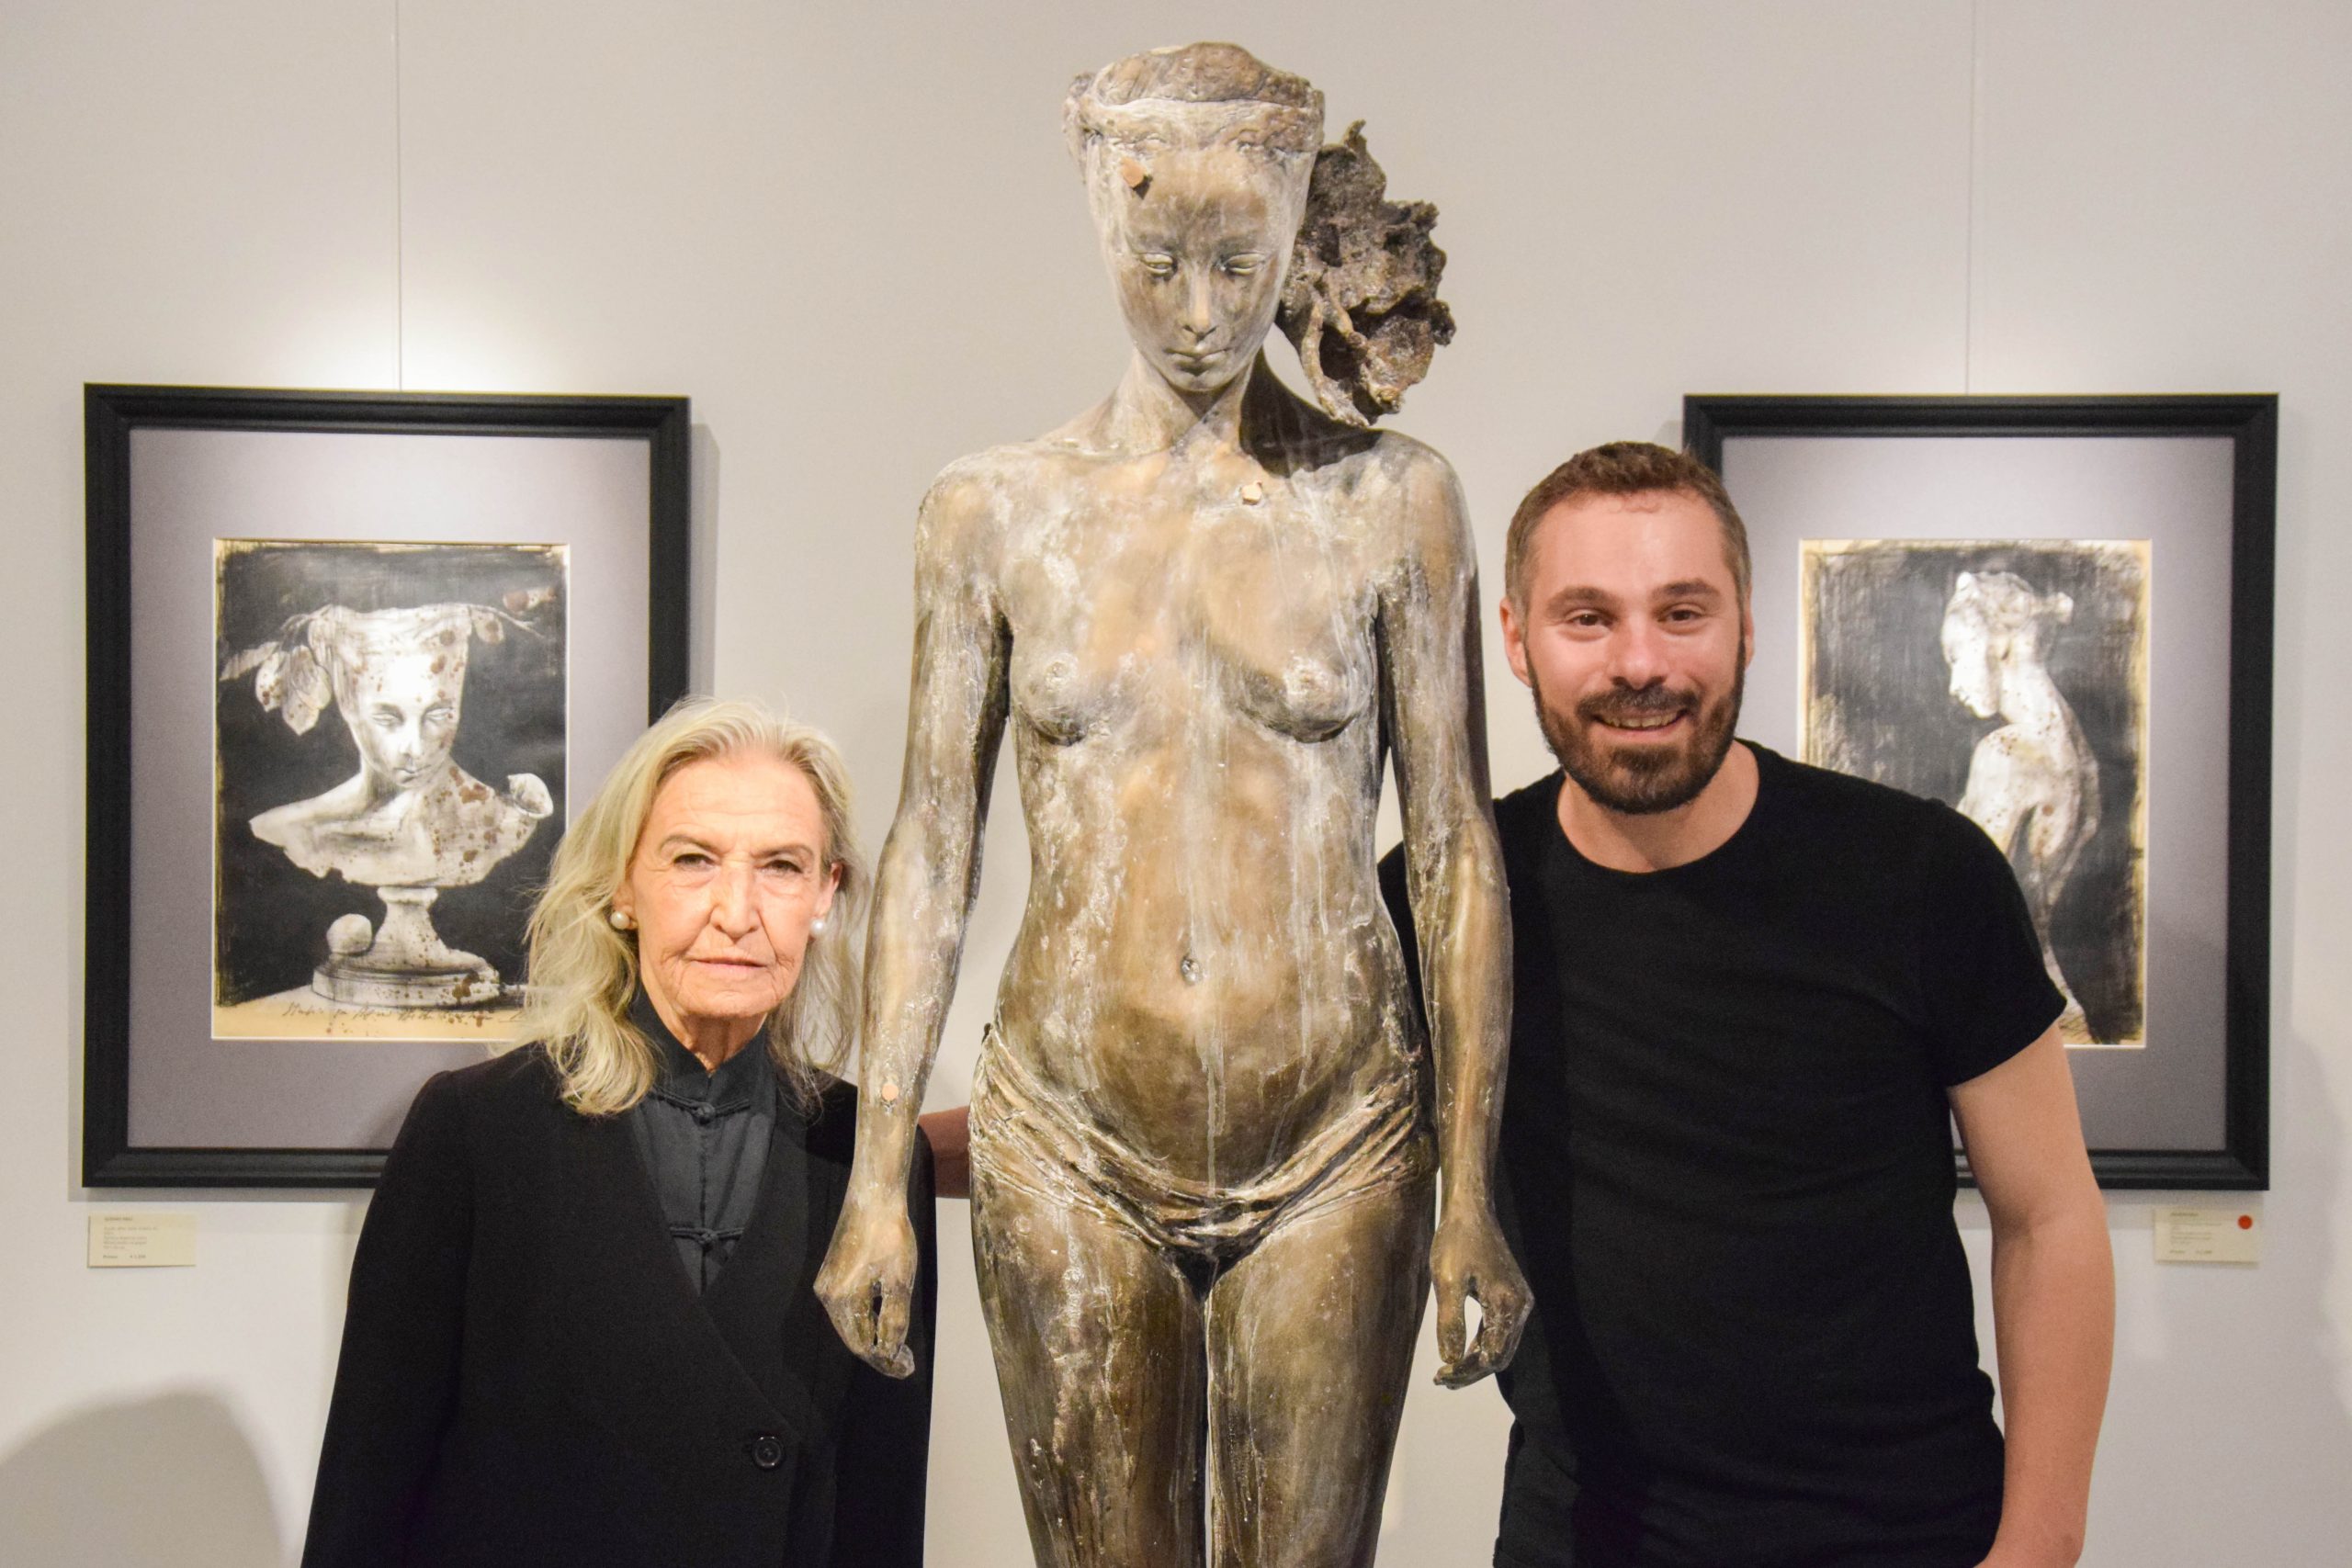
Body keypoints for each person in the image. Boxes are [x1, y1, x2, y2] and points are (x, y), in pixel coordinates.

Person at [814, 41, 1527, 1568]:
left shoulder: (1393, 500)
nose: (1200, 312)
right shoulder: (992, 511)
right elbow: (932, 843)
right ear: (1101, 230)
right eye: (1158, 265)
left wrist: (1471, 1182)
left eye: (1238, 265)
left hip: (1339, 1132)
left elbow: (1456, 846)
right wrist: (878, 1177)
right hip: (1068, 1132)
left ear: (1295, 239)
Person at [1384, 442, 2114, 1567]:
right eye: (1588, 618)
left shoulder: (1920, 874)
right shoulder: (1443, 900)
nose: (1640, 663)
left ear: (1746, 627)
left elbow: (2048, 1218)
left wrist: (2039, 1549)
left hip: (1904, 1540)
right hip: (1578, 1543)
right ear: (1518, 640)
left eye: (1682, 613)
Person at [300, 698, 939, 1568]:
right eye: (693, 859)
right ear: (623, 887)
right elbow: (366, 1494)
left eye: (781, 866)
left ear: (825, 894)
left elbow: (882, 1509)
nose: (737, 911)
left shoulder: (873, 1157)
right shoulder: (477, 1133)